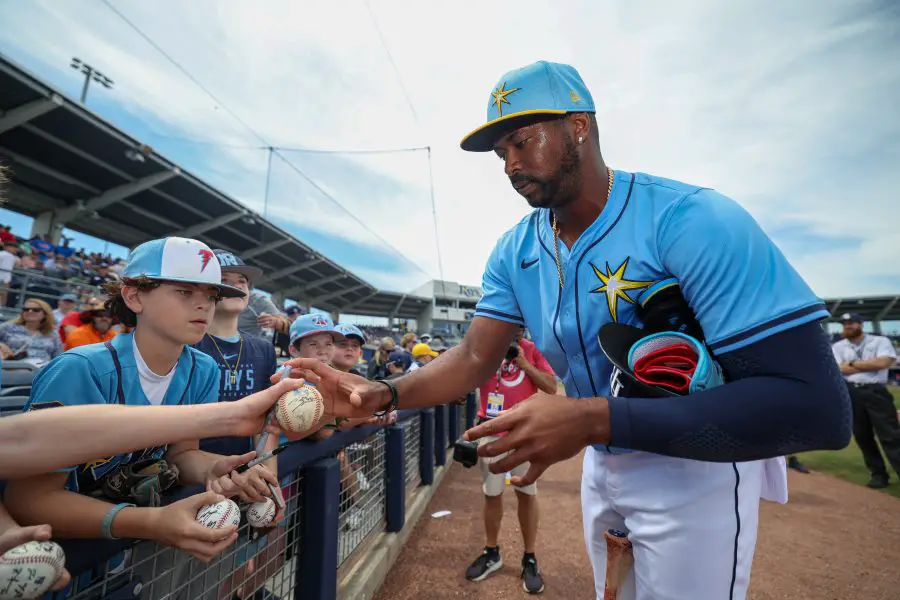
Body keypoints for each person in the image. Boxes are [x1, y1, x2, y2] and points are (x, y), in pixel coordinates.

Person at [278, 61, 851, 600]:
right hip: (600, 459)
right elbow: (477, 356)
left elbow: (818, 409)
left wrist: (591, 416)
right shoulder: (516, 247)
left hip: (693, 463)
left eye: (523, 141)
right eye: (501, 153)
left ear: (579, 127)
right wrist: (386, 394)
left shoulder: (692, 219)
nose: (509, 165)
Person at [3, 237, 281, 566]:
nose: (203, 305)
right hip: (53, 553)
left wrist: (216, 466)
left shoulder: (203, 368)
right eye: (184, 292)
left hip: (117, 546)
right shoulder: (80, 368)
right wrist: (149, 523)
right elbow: (29, 499)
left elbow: (183, 453)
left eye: (211, 295)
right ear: (134, 296)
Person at [465, 327, 556, 593]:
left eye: (517, 325)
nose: (511, 329)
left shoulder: (532, 349)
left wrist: (524, 363)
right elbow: (463, 381)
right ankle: (492, 552)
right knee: (491, 494)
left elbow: (551, 387)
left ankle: (530, 557)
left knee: (527, 493)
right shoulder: (485, 347)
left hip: (524, 434)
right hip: (491, 431)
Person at [832, 312, 900, 489]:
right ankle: (878, 474)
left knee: (890, 434)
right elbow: (837, 369)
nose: (847, 326)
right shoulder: (839, 346)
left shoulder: (879, 341)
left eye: (851, 323)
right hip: (852, 392)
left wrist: (852, 365)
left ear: (861, 324)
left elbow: (883, 363)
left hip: (876, 390)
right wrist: (868, 364)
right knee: (862, 436)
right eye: (845, 323)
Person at [0, 298, 62, 364]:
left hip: (40, 370)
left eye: (36, 310)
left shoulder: (53, 335)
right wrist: (1, 345)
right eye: (26, 309)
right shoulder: (7, 327)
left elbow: (57, 358)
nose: (30, 311)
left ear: (45, 314)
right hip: (11, 368)